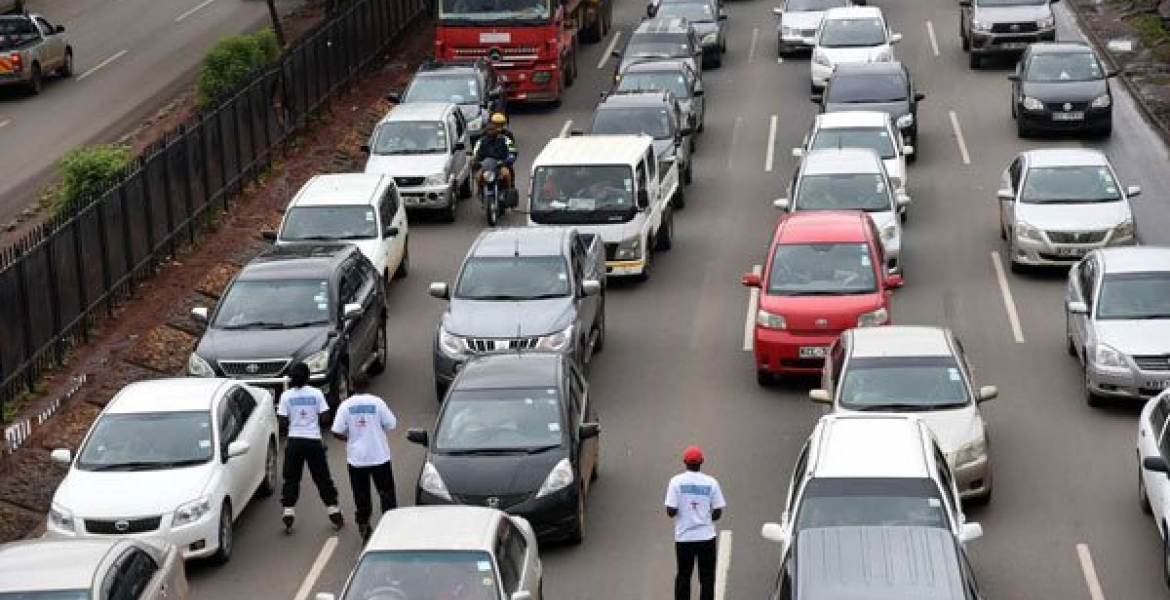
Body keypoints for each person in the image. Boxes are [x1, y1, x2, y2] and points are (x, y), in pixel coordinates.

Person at [277, 362, 344, 533]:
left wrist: (295, 420)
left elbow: (282, 421)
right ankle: (333, 510)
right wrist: (313, 419)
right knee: (322, 478)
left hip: (294, 441)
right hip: (313, 441)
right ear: (308, 377)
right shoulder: (317, 393)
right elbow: (325, 417)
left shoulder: (286, 396)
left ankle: (288, 512)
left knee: (291, 478)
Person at [331, 390, 399, 543]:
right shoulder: (377, 402)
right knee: (386, 492)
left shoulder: (346, 405)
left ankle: (363, 525)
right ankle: (391, 526)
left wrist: (350, 439)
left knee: (361, 494)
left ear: (353, 387)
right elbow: (391, 424)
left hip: (357, 459)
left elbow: (336, 431)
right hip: (379, 457)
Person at [664, 445, 726, 600]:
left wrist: (684, 514)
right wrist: (705, 519)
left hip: (684, 537)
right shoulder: (711, 482)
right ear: (701, 462)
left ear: (684, 462)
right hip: (706, 538)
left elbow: (670, 511)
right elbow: (718, 511)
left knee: (684, 575)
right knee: (707, 578)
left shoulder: (675, 482)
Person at [472, 113, 518, 192]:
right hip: (486, 165)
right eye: (496, 124)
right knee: (477, 177)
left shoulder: (506, 138)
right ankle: (480, 191)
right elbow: (475, 153)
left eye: (500, 124)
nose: (497, 127)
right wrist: (476, 162)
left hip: (501, 164)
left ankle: (509, 192)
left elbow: (512, 151)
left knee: (507, 175)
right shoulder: (481, 140)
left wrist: (507, 161)